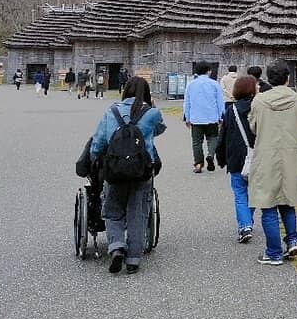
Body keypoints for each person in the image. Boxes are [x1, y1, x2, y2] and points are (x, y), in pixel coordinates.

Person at [89, 76, 166, 275]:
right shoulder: (152, 113)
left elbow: (98, 142)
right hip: (141, 171)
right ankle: (133, 259)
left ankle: (116, 247)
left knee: (113, 211)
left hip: (115, 169)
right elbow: (160, 130)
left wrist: (95, 159)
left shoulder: (111, 111)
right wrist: (151, 110)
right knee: (138, 213)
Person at [249, 59, 297, 265]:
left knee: (268, 205)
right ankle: (292, 238)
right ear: (288, 77)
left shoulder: (259, 101)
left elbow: (254, 128)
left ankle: (273, 252)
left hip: (267, 156)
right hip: (292, 155)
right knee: (287, 201)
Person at [217, 75, 257, 243]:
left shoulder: (230, 111)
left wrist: (221, 157)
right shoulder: (259, 108)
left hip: (236, 157)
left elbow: (223, 136)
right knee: (253, 193)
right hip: (257, 157)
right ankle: (247, 221)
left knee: (240, 193)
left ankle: (245, 225)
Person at [183, 61, 224, 173]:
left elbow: (187, 102)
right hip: (212, 116)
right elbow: (220, 102)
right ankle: (210, 154)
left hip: (196, 117)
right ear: (209, 71)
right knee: (213, 138)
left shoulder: (191, 84)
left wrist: (187, 117)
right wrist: (221, 117)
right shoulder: (214, 84)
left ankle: (198, 163)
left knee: (197, 141)